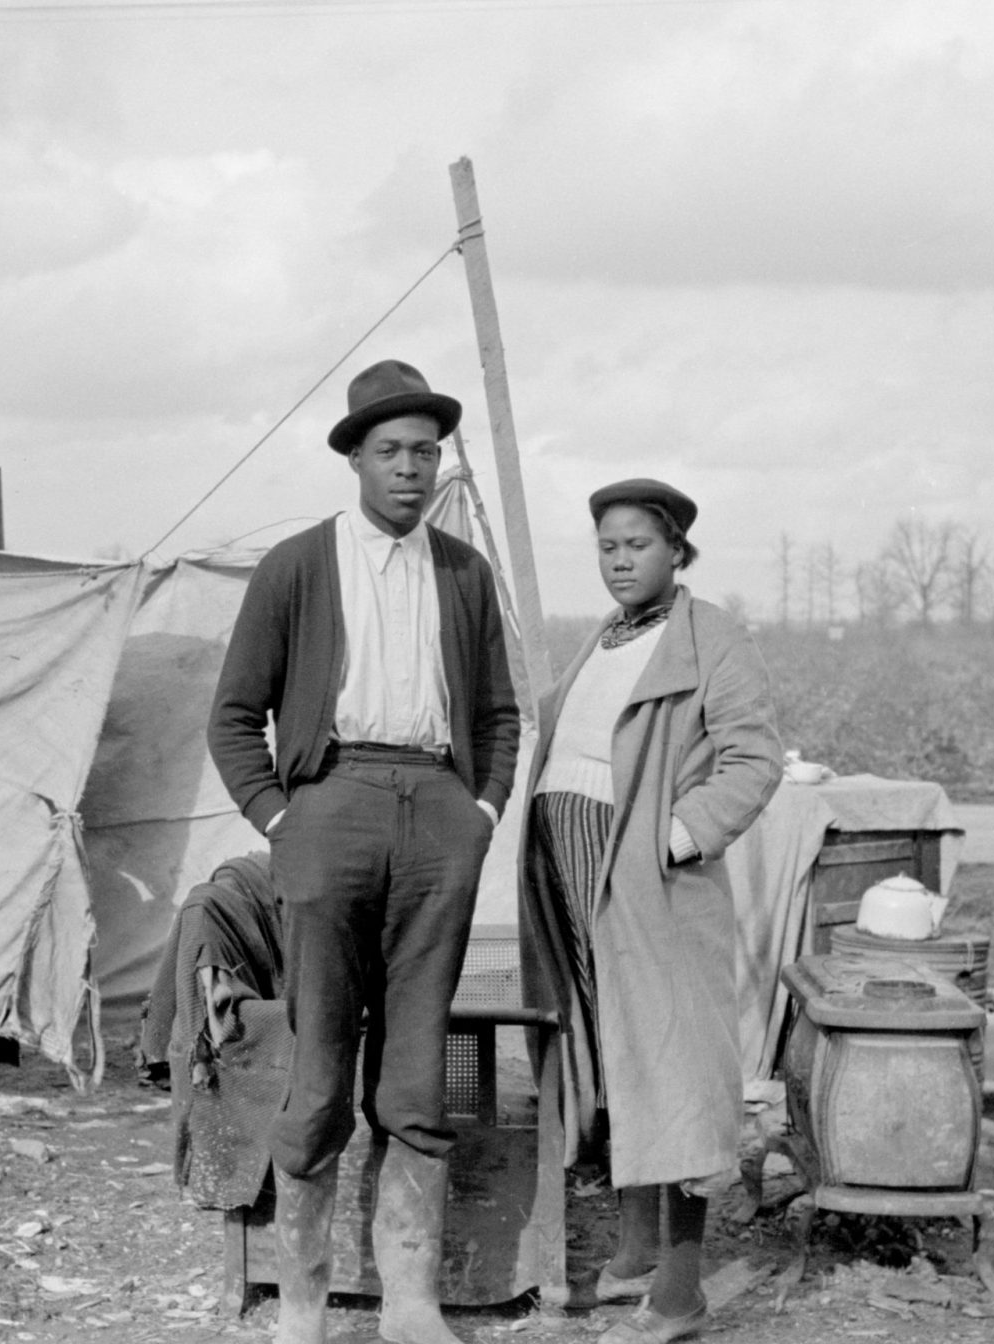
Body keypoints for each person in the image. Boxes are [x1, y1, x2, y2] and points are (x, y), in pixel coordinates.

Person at [208, 358, 520, 1344]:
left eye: (425, 453)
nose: (410, 471)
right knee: (316, 1073)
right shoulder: (297, 567)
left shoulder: (464, 573)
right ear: (354, 460)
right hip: (327, 810)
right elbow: (230, 719)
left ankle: (410, 1300)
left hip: (437, 813)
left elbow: (500, 715)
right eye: (389, 452)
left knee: (416, 1075)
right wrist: (278, 818)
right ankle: (300, 1303)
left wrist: (478, 810)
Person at [519, 479, 782, 1344]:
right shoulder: (602, 639)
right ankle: (635, 1252)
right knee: (613, 1057)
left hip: (649, 883)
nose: (621, 559)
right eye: (607, 546)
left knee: (674, 1069)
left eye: (637, 544)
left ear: (677, 550)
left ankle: (680, 1289)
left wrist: (675, 837)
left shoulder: (710, 637)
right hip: (570, 873)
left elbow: (751, 759)